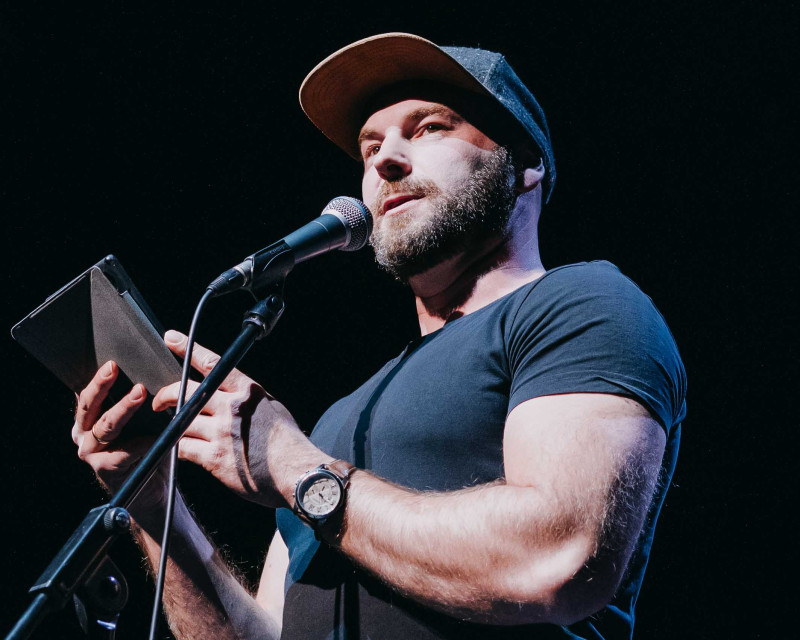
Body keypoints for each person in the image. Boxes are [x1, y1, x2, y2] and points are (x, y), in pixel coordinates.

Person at [72, 33, 686, 639]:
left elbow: (557, 558)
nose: (385, 161)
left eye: (429, 128)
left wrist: (291, 464)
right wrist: (154, 506)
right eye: (370, 148)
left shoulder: (583, 303)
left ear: (525, 164)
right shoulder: (338, 422)